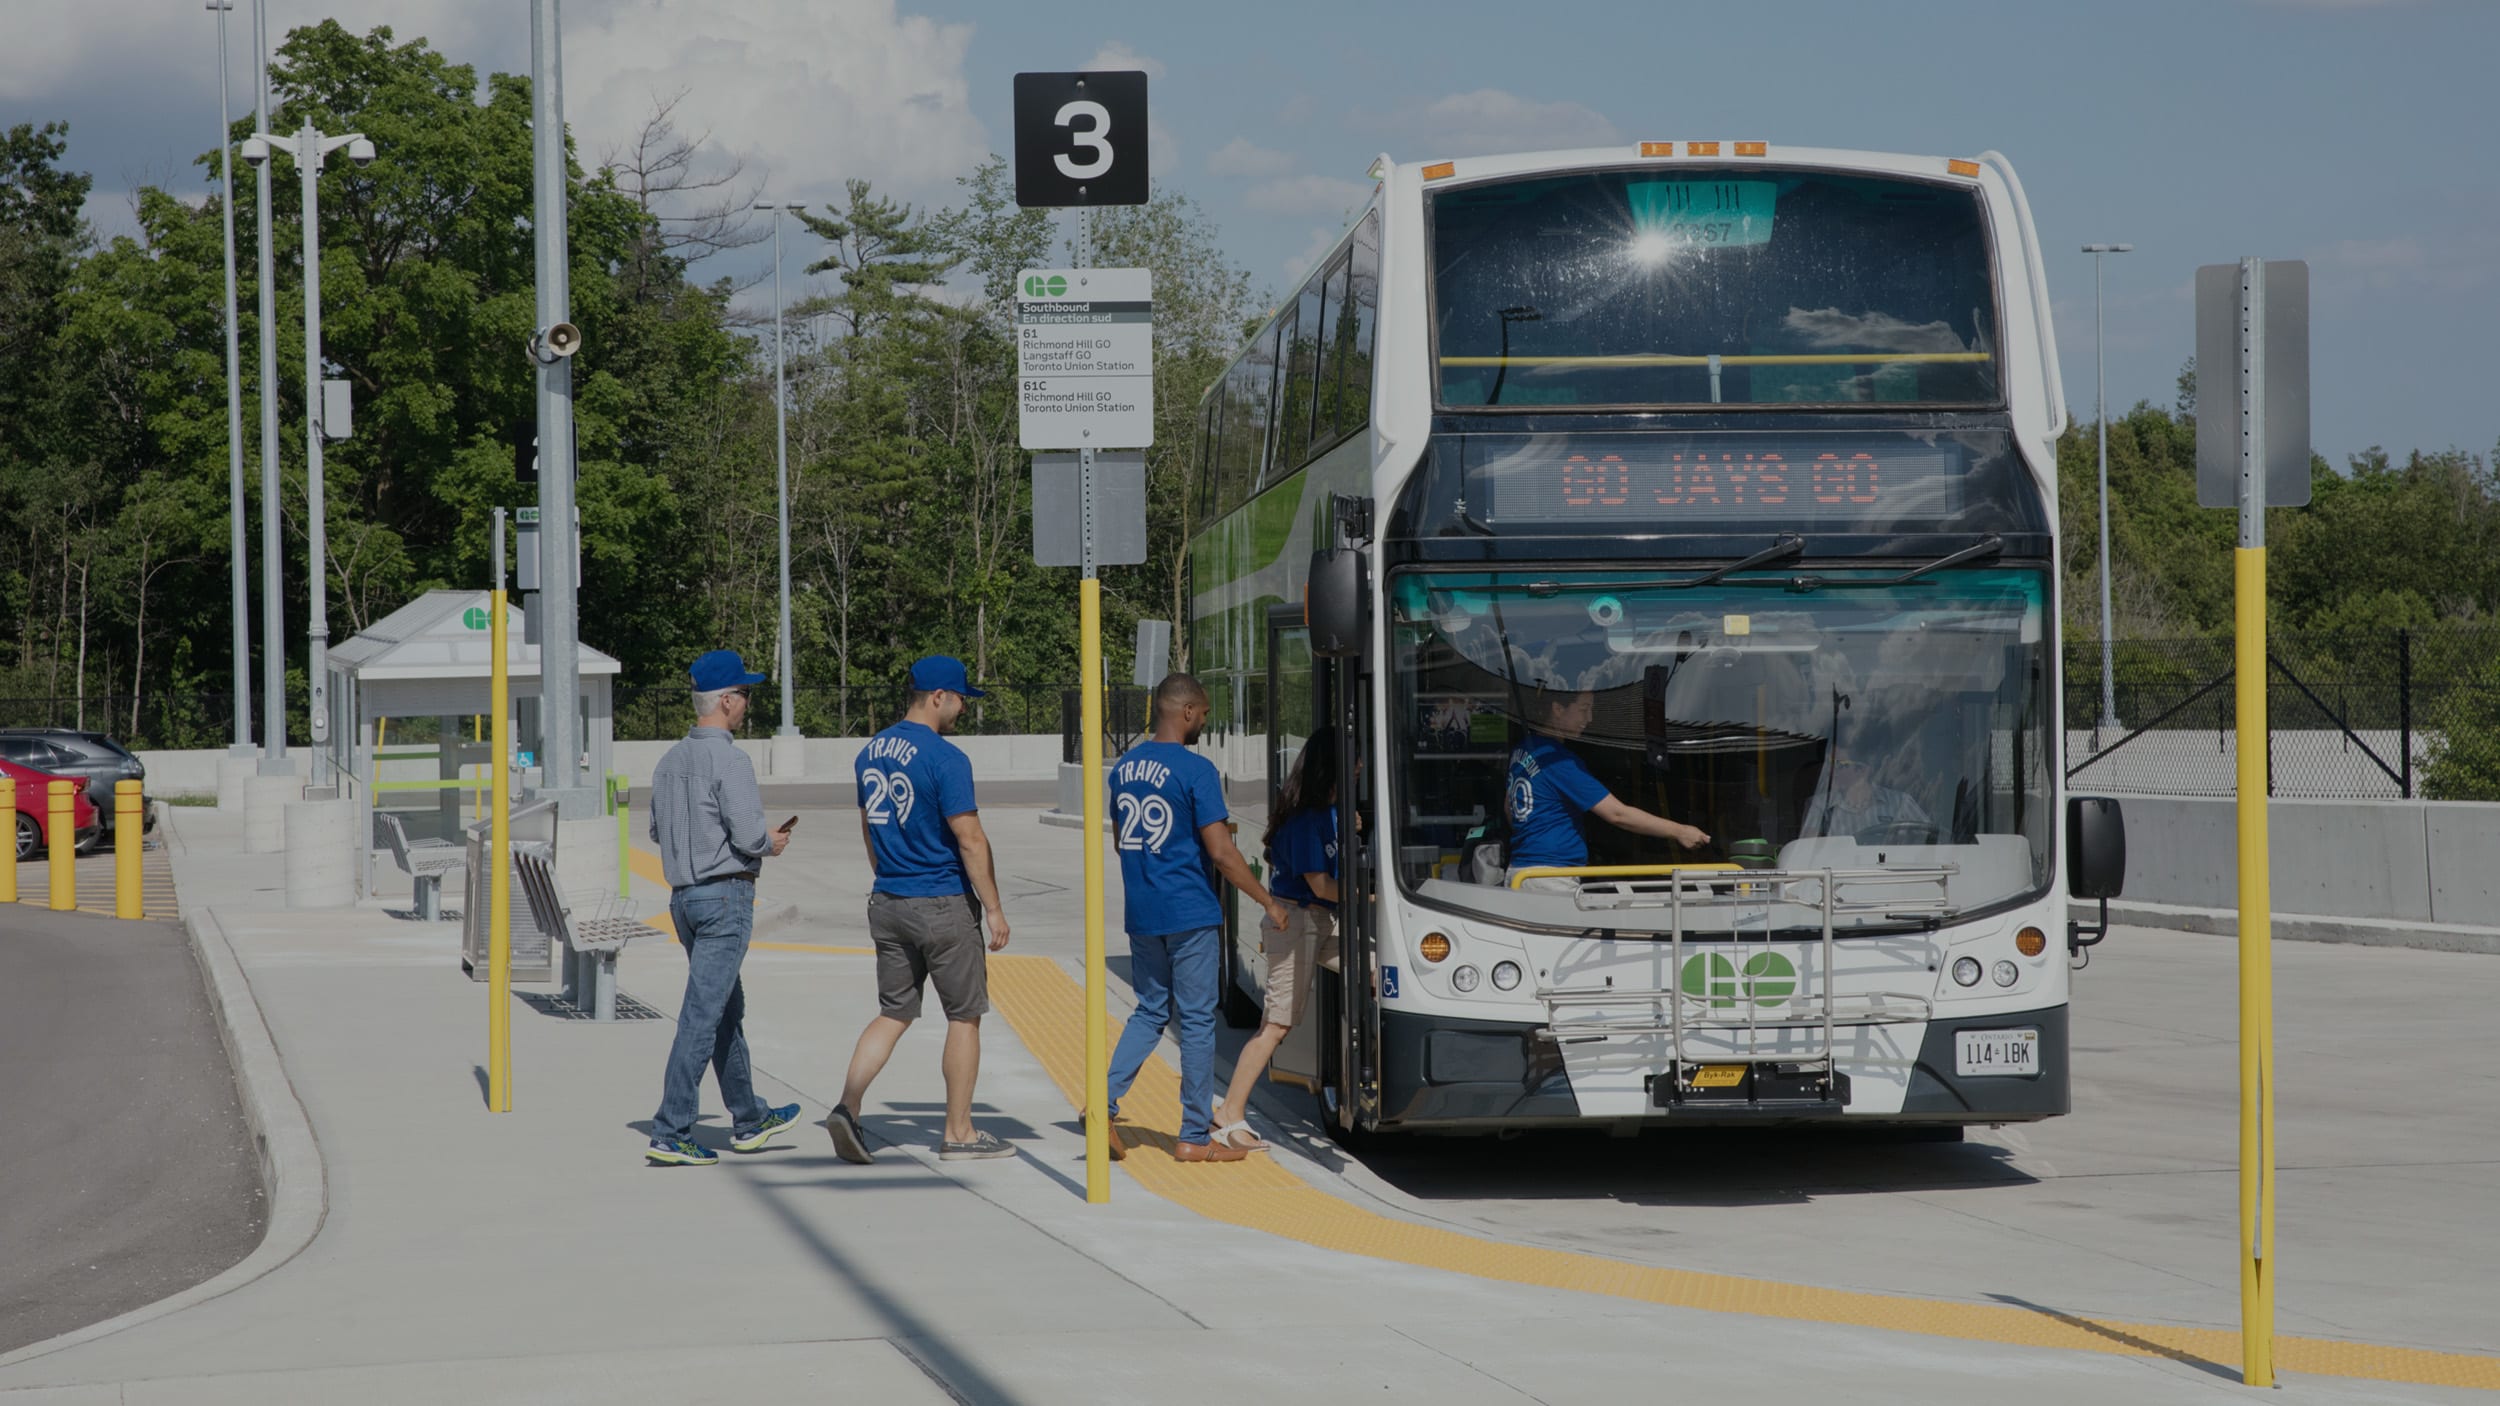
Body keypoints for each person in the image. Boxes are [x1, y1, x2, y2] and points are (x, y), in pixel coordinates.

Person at [821, 657, 1014, 1165]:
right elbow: (970, 839)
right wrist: (993, 908)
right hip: (942, 903)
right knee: (964, 1016)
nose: (963, 709)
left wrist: (888, 876)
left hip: (888, 899)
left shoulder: (870, 752)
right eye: (960, 699)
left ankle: (847, 1106)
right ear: (937, 696)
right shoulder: (946, 758)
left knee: (893, 1012)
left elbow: (869, 829)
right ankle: (960, 1132)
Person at [1104, 673, 1291, 1163]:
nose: (1204, 723)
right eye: (1204, 714)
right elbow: (1222, 853)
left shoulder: (1123, 767)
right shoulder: (1195, 770)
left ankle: (1101, 1105)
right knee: (1196, 1022)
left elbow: (1121, 839)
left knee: (1148, 1010)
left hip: (1142, 911)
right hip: (1189, 911)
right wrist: (1268, 902)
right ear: (1185, 711)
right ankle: (1193, 1136)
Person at [645, 649, 801, 1166]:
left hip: (684, 900)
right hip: (725, 897)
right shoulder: (730, 759)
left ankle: (749, 1117)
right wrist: (772, 843)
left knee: (724, 1009)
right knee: (702, 1013)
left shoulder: (668, 761)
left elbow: (655, 831)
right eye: (745, 695)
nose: (747, 703)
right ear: (727, 701)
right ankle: (671, 1128)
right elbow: (751, 834)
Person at [1211, 726, 1341, 1152]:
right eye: (1355, 759)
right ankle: (1229, 1113)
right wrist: (1370, 894)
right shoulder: (1306, 821)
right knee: (1276, 1025)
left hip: (1319, 923)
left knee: (1379, 970)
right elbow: (1321, 886)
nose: (1361, 766)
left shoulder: (1327, 813)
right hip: (1297, 924)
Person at [1503, 687, 1709, 886]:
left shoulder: (1523, 750)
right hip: (1550, 877)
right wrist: (1680, 831)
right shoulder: (1559, 762)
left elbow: (1509, 810)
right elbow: (1617, 814)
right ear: (1558, 709)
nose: (1589, 718)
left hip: (1519, 870)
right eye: (1583, 709)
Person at [1800, 749, 1932, 840]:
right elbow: (1807, 855)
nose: (1831, 770)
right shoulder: (1819, 806)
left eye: (1839, 765)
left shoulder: (1902, 803)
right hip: (1837, 879)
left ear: (1863, 770)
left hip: (1898, 878)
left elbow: (1931, 841)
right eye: (1830, 763)